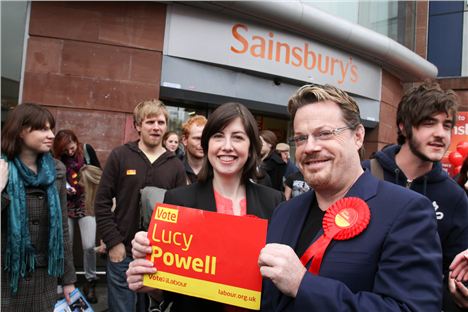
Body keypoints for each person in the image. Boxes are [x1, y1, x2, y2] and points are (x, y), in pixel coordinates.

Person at [259, 84, 442, 311]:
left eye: (324, 133)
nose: (310, 147)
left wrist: (303, 284)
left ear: (358, 136)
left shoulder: (406, 211)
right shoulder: (284, 212)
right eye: (301, 138)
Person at [125, 102, 284, 311]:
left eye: (237, 137)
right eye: (218, 136)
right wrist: (148, 280)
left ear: (251, 146)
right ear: (207, 144)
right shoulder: (179, 201)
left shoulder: (275, 203)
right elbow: (170, 291)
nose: (227, 146)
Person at [362, 81, 468, 312]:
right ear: (403, 126)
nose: (440, 134)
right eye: (429, 123)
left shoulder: (455, 197)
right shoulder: (363, 175)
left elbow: (456, 272)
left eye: (447, 125)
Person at [95, 99, 186, 312]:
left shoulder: (175, 165)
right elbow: (101, 202)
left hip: (158, 257)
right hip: (123, 252)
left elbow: (182, 214)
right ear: (138, 126)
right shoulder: (120, 156)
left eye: (161, 122)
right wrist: (113, 242)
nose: (156, 127)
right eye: (150, 122)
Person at [1, 103, 76, 311]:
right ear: (21, 131)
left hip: (45, 278)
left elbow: (62, 228)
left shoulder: (57, 170)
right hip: (7, 277)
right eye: (43, 129)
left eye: (51, 128)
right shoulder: (2, 167)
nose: (51, 135)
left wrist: (68, 280)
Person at [53, 129, 101, 303]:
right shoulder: (56, 159)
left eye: (71, 147)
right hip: (65, 205)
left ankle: (91, 281)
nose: (70, 152)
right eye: (65, 150)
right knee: (67, 245)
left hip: (85, 203)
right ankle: (66, 281)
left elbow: (99, 175)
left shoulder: (87, 151)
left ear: (75, 140)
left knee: (89, 246)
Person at [181, 115, 207, 184]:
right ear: (185, 140)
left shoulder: (216, 171)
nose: (203, 143)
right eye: (197, 138)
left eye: (206, 138)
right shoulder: (175, 169)